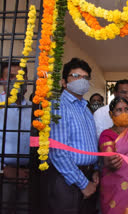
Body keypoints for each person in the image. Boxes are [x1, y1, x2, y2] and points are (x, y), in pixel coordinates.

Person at [43, 58, 99, 214]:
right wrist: (83, 184)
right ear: (63, 82)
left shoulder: (85, 109)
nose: (81, 81)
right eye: (75, 76)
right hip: (67, 179)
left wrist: (94, 169)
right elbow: (58, 152)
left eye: (85, 77)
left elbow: (91, 142)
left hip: (87, 176)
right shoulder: (58, 106)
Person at [0, 60, 30, 213]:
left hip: (30, 177)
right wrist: (3, 170)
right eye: (11, 77)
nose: (16, 81)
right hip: (4, 177)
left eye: (20, 77)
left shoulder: (34, 109)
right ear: (2, 80)